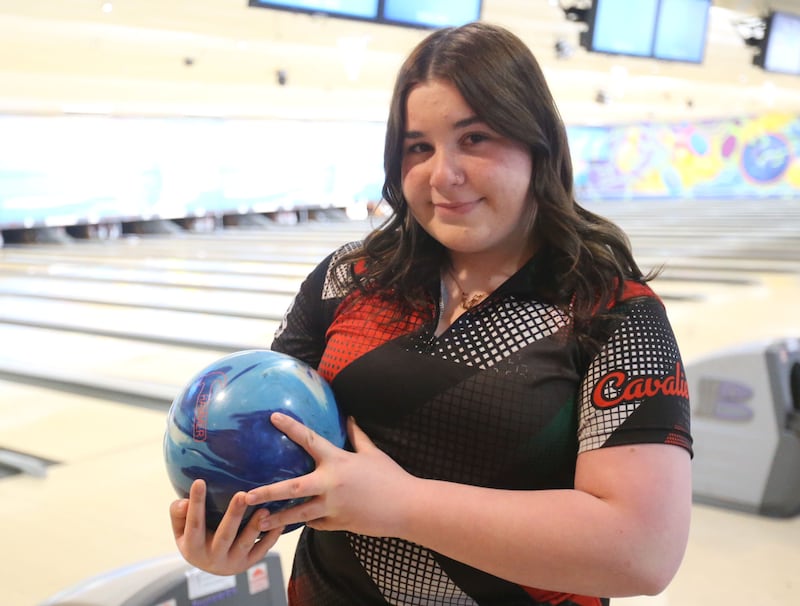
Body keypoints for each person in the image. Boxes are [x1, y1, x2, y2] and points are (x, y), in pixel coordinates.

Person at [169, 21, 693, 606]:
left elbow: (643, 554)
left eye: (475, 139)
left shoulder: (610, 310)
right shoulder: (350, 277)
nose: (442, 175)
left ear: (536, 143)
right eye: (419, 147)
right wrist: (233, 528)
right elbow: (283, 455)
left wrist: (402, 505)